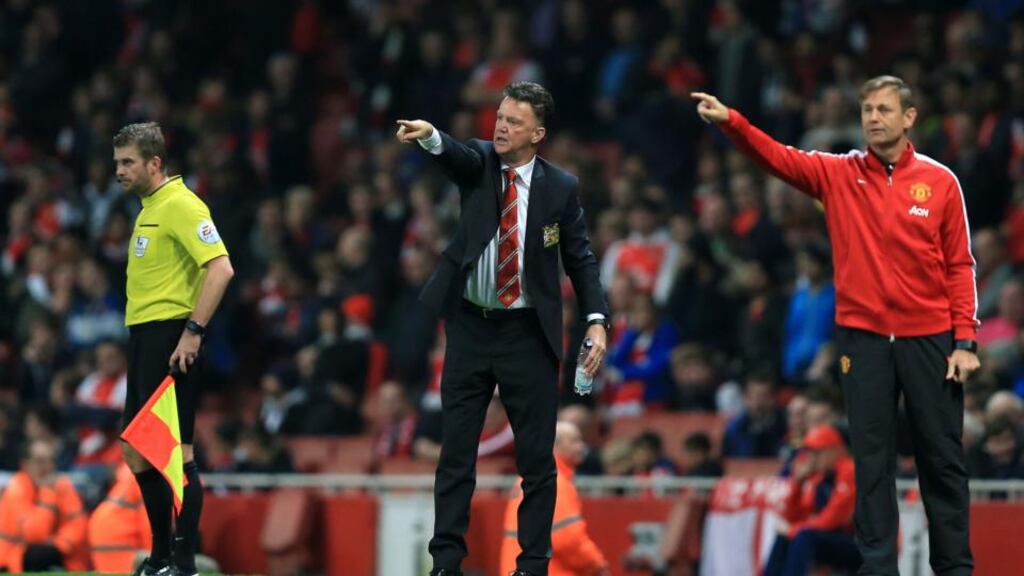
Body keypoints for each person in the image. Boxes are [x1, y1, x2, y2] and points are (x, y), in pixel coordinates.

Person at [693, 76, 979, 575]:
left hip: (931, 338)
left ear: (909, 117)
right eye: (867, 110)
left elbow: (960, 264)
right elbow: (777, 157)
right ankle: (878, 570)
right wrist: (732, 122)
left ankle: (954, 569)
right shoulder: (837, 173)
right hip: (863, 339)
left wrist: (966, 341)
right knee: (871, 460)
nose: (874, 118)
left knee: (942, 458)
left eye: (884, 109)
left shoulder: (940, 181)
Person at [396, 81, 609, 576]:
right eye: (499, 117)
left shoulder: (561, 188)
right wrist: (431, 136)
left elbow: (580, 259)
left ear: (538, 133)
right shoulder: (480, 162)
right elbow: (456, 155)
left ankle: (532, 566)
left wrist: (597, 321)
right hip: (471, 327)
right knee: (456, 453)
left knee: (537, 461)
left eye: (514, 121)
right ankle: (446, 564)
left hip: (527, 333)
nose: (501, 127)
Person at [114, 122, 235, 576]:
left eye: (128, 162)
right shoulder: (150, 208)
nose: (119, 171)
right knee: (136, 449)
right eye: (117, 163)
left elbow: (221, 268)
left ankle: (180, 564)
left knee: (176, 455)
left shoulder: (182, 205)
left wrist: (193, 331)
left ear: (154, 163)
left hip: (170, 339)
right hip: (144, 338)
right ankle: (162, 558)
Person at [499, 422, 610, 576]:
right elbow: (568, 538)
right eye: (574, 440)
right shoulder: (555, 483)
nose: (581, 446)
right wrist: (597, 565)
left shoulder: (529, 478)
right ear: (553, 444)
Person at [763, 425, 860, 576]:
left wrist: (792, 530)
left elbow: (833, 520)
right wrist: (798, 482)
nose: (812, 458)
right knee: (785, 537)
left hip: (863, 545)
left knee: (803, 535)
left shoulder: (850, 470)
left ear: (835, 451)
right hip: (834, 539)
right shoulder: (820, 476)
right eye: (810, 452)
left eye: (817, 452)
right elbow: (792, 517)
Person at [0, 440, 89, 573]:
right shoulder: (17, 488)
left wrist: (60, 544)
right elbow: (34, 534)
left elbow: (79, 523)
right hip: (12, 559)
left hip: (56, 552)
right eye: (40, 461)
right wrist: (48, 493)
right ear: (25, 464)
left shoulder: (61, 484)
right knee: (39, 553)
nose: (47, 467)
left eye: (50, 460)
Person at [89, 463, 152, 574]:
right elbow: (149, 524)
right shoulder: (145, 477)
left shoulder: (129, 475)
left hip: (106, 553)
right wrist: (156, 556)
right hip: (125, 554)